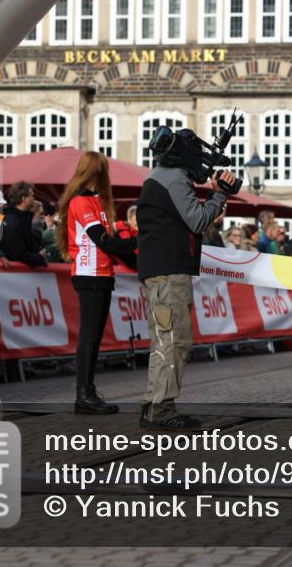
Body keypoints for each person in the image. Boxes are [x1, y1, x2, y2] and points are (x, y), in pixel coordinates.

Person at [136, 127, 235, 431]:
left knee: (163, 340)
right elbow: (197, 220)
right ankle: (162, 409)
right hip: (169, 274)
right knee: (175, 340)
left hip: (157, 273)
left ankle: (154, 404)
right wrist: (219, 195)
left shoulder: (157, 178)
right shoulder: (175, 178)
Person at [56, 152, 138, 415]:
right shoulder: (81, 201)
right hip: (89, 272)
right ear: (96, 172)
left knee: (95, 335)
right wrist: (140, 242)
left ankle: (88, 391)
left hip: (101, 273)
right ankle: (83, 393)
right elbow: (102, 240)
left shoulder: (94, 202)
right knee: (89, 335)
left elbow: (108, 242)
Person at [0, 181, 48, 267]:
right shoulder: (12, 220)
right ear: (24, 199)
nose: (34, 198)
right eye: (32, 195)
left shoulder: (23, 218)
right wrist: (39, 258)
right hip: (13, 275)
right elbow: (18, 253)